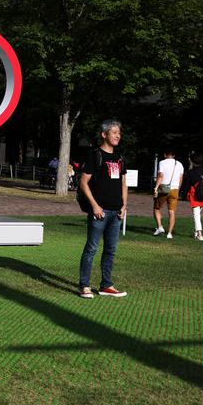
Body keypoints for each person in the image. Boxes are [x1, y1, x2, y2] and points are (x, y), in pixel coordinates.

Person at [77, 119, 128, 298]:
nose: (117, 136)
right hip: (99, 211)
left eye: (119, 133)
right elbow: (84, 183)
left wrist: (124, 206)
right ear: (104, 134)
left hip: (116, 212)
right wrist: (95, 206)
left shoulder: (120, 157)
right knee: (91, 248)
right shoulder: (95, 155)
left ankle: (106, 285)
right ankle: (84, 285)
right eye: (114, 132)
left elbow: (123, 183)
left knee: (110, 250)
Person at [181, 153, 203, 242]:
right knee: (197, 214)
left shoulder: (191, 172)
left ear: (192, 161)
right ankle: (196, 232)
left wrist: (183, 195)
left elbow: (186, 185)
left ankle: (200, 234)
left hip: (195, 195)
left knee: (196, 215)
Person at [152, 149, 184, 238]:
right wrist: (178, 188)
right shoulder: (179, 164)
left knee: (157, 208)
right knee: (172, 211)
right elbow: (181, 179)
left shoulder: (162, 162)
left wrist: (156, 187)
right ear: (174, 155)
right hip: (175, 189)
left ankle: (160, 227)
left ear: (165, 154)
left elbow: (160, 176)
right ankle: (169, 233)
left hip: (164, 189)